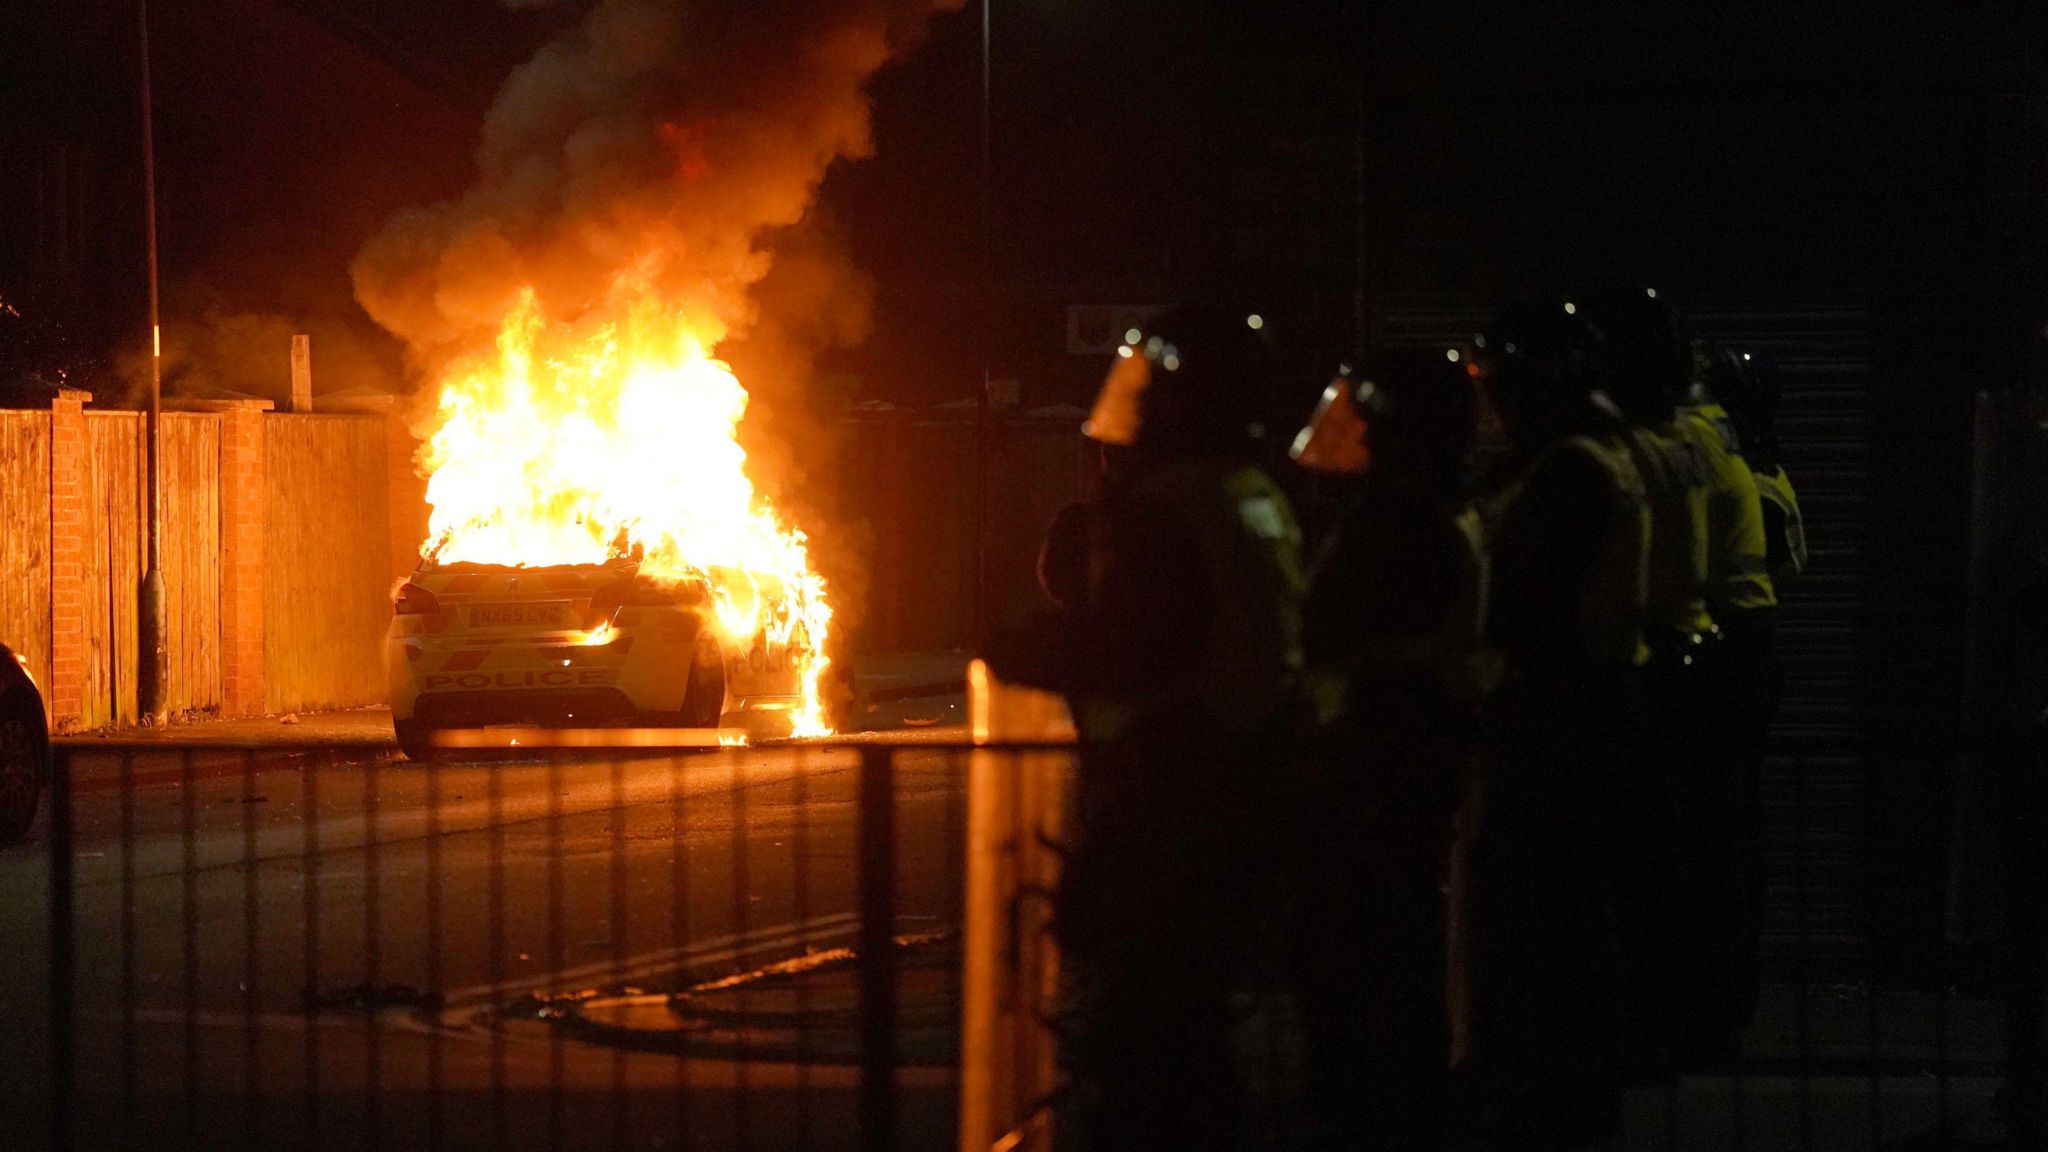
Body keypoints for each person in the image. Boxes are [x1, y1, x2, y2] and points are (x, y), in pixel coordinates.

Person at [983, 303, 1307, 1152]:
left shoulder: (1171, 505)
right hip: (1243, 773)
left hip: (1175, 789)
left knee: (1148, 1041)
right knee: (1192, 1034)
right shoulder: (1250, 491)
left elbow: (1135, 644)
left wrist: (1025, 647)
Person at [1288, 348, 1489, 1151]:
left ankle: (1377, 1115)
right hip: (1417, 750)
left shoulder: (1395, 519)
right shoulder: (1445, 506)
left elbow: (1326, 627)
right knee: (1404, 944)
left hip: (1380, 758)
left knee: (1362, 952)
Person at [1462, 297, 1649, 1150]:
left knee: (1545, 918)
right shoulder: (1584, 459)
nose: (1492, 402)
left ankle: (1552, 1099)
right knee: (1562, 916)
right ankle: (1561, 1094)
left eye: (1499, 383)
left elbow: (1522, 605)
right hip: (1574, 711)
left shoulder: (1571, 471)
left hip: (1556, 719)